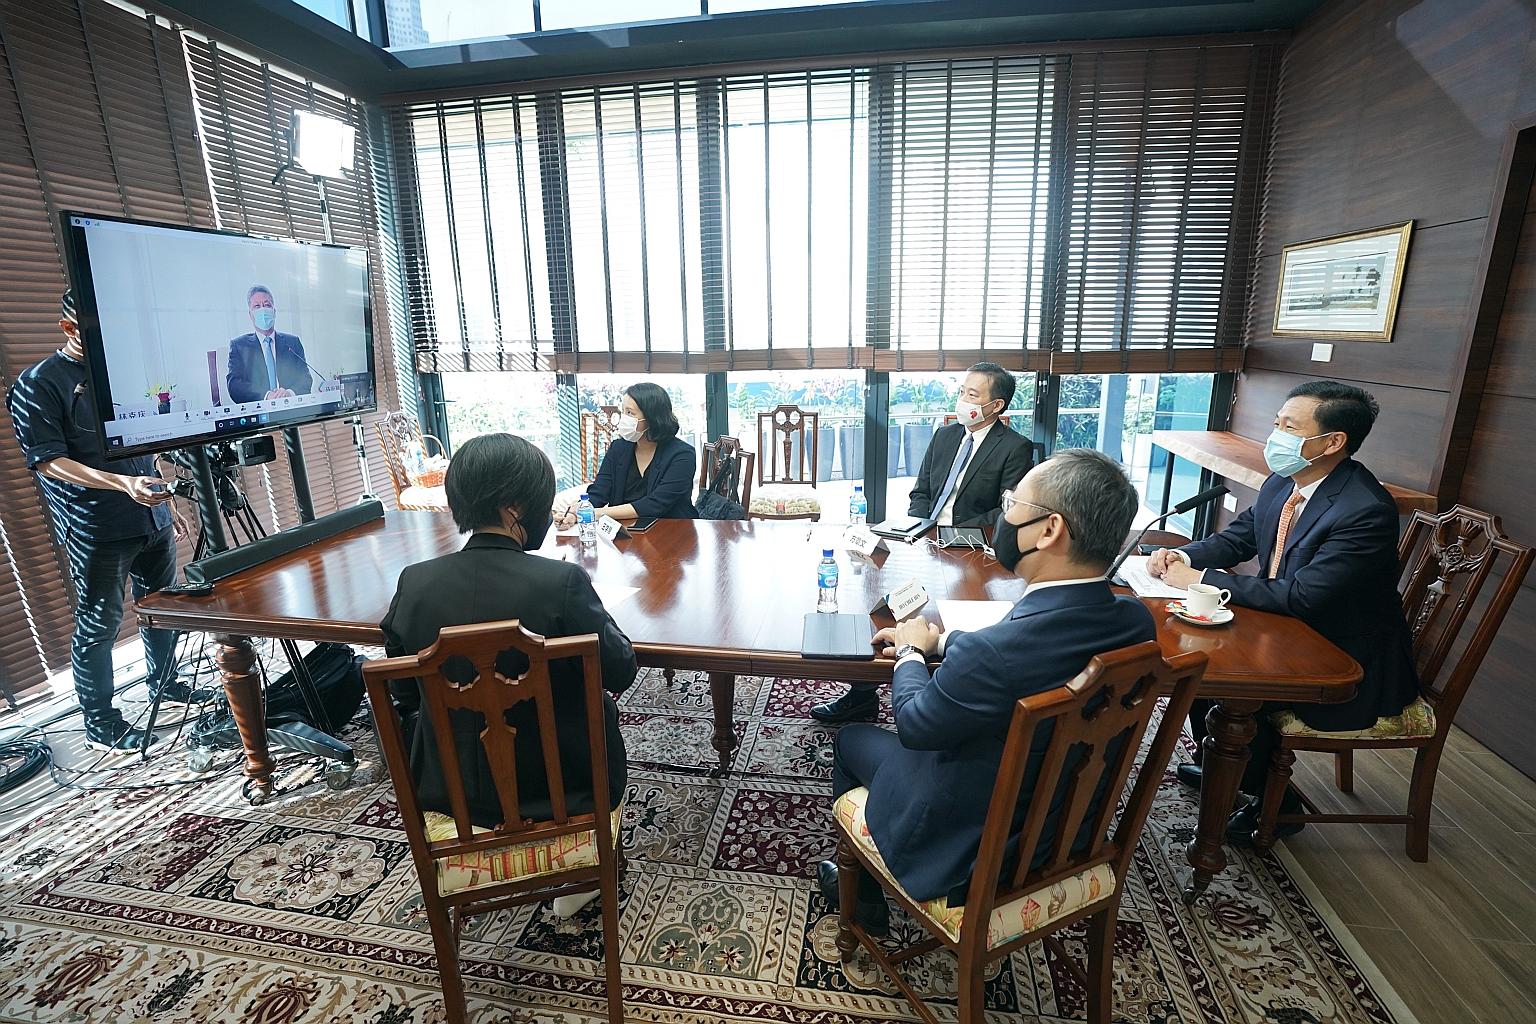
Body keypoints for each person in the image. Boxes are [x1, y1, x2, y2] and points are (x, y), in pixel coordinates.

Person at [816, 449, 1155, 934]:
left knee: (851, 740)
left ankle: (866, 902)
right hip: (1070, 826)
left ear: (1049, 530)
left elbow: (914, 724)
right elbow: (1034, 656)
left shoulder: (993, 654)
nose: (1004, 514)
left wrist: (913, 652)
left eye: (1013, 502)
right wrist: (948, 642)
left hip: (974, 848)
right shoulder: (1135, 620)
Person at [1147, 380, 1419, 844]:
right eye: (1277, 423)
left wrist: (1204, 581)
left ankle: (1273, 800)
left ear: (1333, 442)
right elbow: (1240, 537)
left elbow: (1302, 598)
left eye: (1289, 427)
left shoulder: (1363, 510)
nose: (1276, 435)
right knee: (1194, 666)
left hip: (1341, 653)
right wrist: (1187, 557)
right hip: (1285, 628)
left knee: (1226, 685)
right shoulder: (1285, 481)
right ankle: (1225, 761)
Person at [381, 433, 638, 913]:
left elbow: (403, 693)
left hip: (453, 798)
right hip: (566, 794)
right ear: (514, 509)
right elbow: (620, 671)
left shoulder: (414, 585)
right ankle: (579, 873)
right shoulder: (559, 583)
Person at [6, 291, 188, 751]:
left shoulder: (122, 375)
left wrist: (168, 498)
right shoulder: (38, 384)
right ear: (70, 329)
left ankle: (167, 685)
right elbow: (48, 461)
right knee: (99, 624)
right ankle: (101, 722)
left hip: (152, 517)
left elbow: (144, 442)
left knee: (163, 610)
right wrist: (120, 484)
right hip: (96, 526)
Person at [811, 362, 1034, 723]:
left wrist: (951, 532)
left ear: (997, 406)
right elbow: (921, 492)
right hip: (921, 540)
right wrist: (918, 526)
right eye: (962, 391)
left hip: (970, 551)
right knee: (877, 600)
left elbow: (1006, 512)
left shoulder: (1014, 448)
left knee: (943, 618)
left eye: (973, 395)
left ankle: (939, 696)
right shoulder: (945, 436)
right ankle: (863, 691)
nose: (963, 400)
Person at [556, 382, 697, 524]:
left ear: (651, 418)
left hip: (674, 530)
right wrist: (574, 515)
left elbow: (656, 504)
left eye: (629, 413)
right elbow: (599, 493)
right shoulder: (618, 449)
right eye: (623, 411)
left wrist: (596, 513)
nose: (623, 418)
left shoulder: (683, 455)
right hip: (625, 531)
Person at [226, 285, 314, 404]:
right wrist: (266, 395)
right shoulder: (239, 346)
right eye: (257, 306)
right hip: (259, 413)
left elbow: (305, 378)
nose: (263, 309)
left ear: (274, 311)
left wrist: (289, 393)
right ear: (250, 315)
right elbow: (234, 385)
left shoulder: (292, 343)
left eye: (267, 305)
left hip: (290, 409)